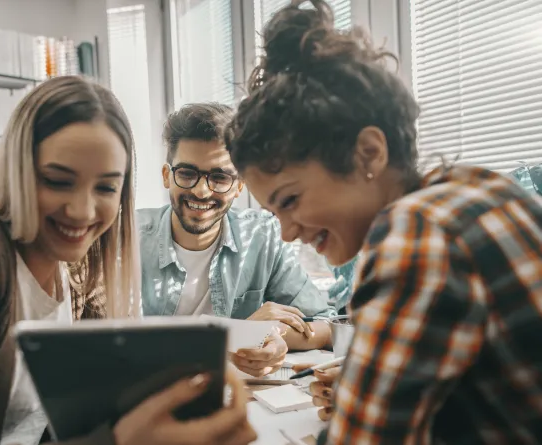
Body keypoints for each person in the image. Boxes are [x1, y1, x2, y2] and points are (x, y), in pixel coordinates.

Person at [0, 76, 256, 445]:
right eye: (58, 181)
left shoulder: (79, 264)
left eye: (106, 187)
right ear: (18, 171)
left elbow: (95, 408)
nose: (82, 211)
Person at [225, 0, 542, 443]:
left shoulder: (419, 234)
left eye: (290, 199)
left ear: (368, 153)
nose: (287, 231)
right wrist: (369, 382)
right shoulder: (479, 189)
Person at [139, 103, 338, 377]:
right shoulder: (127, 239)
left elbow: (324, 324)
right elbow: (112, 345)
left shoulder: (262, 235)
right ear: (166, 176)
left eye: (219, 177)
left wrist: (273, 337)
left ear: (239, 185)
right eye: (187, 174)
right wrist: (238, 334)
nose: (201, 191)